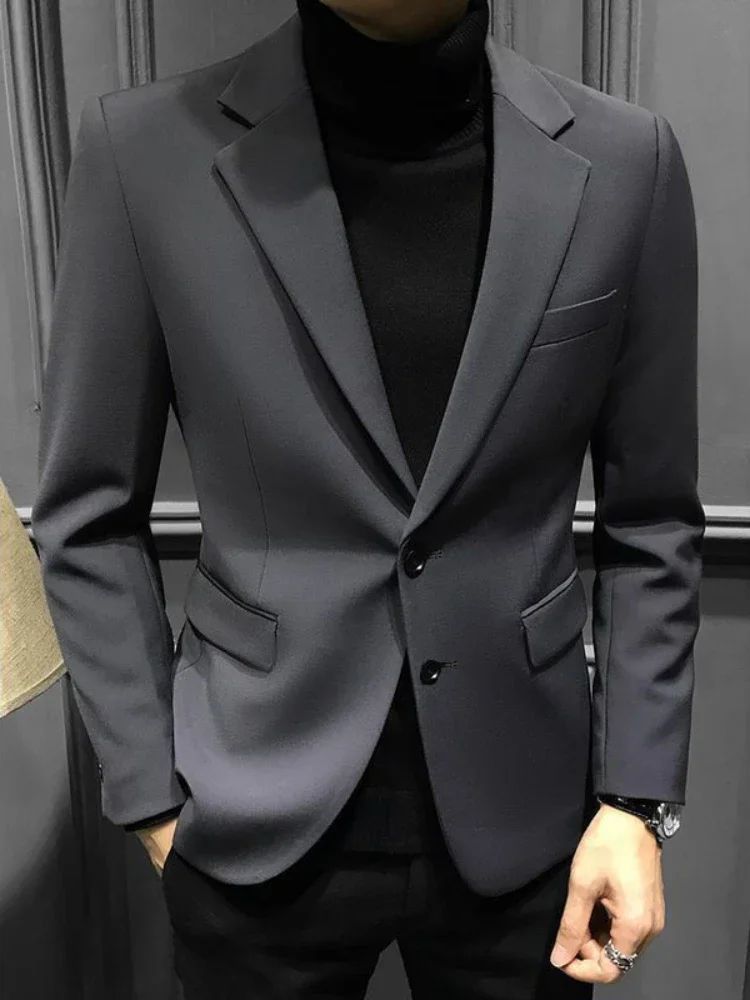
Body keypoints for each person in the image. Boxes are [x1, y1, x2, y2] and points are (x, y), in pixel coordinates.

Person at [31, 0, 704, 996]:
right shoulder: (141, 153)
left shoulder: (626, 161)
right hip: (248, 813)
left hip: (531, 827)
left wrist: (636, 801)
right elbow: (88, 511)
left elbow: (652, 517)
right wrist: (149, 797)